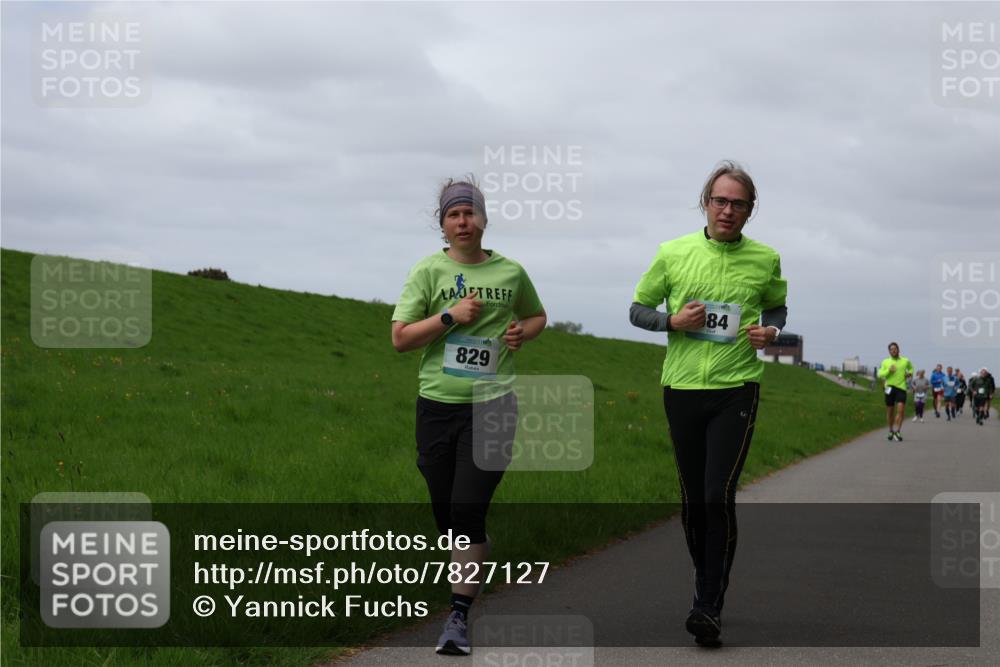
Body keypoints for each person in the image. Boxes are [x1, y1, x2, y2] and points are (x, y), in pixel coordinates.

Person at [629, 160, 787, 647]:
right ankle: (707, 578)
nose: (728, 210)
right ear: (706, 202)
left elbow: (776, 305)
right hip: (681, 390)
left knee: (717, 493)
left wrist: (772, 331)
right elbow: (637, 311)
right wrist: (672, 323)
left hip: (737, 388)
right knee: (694, 498)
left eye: (738, 203)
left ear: (750, 210)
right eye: (720, 200)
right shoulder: (672, 252)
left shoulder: (766, 259)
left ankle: (708, 603)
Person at [391, 178, 547, 655]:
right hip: (437, 406)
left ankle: (457, 619)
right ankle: (474, 546)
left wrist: (523, 330)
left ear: (484, 219)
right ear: (443, 223)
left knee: (466, 509)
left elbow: (538, 316)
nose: (464, 222)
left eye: (471, 213)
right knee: (448, 513)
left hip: (494, 405)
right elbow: (400, 338)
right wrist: (449, 317)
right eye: (454, 215)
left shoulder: (511, 272)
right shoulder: (428, 272)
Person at [877, 342, 914, 441]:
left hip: (901, 388)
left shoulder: (905, 361)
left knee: (901, 410)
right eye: (891, 349)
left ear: (898, 350)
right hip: (889, 388)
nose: (893, 350)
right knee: (890, 411)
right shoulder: (885, 362)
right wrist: (888, 370)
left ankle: (897, 431)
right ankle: (890, 430)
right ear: (889, 351)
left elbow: (911, 368)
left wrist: (909, 374)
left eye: (895, 348)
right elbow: (880, 374)